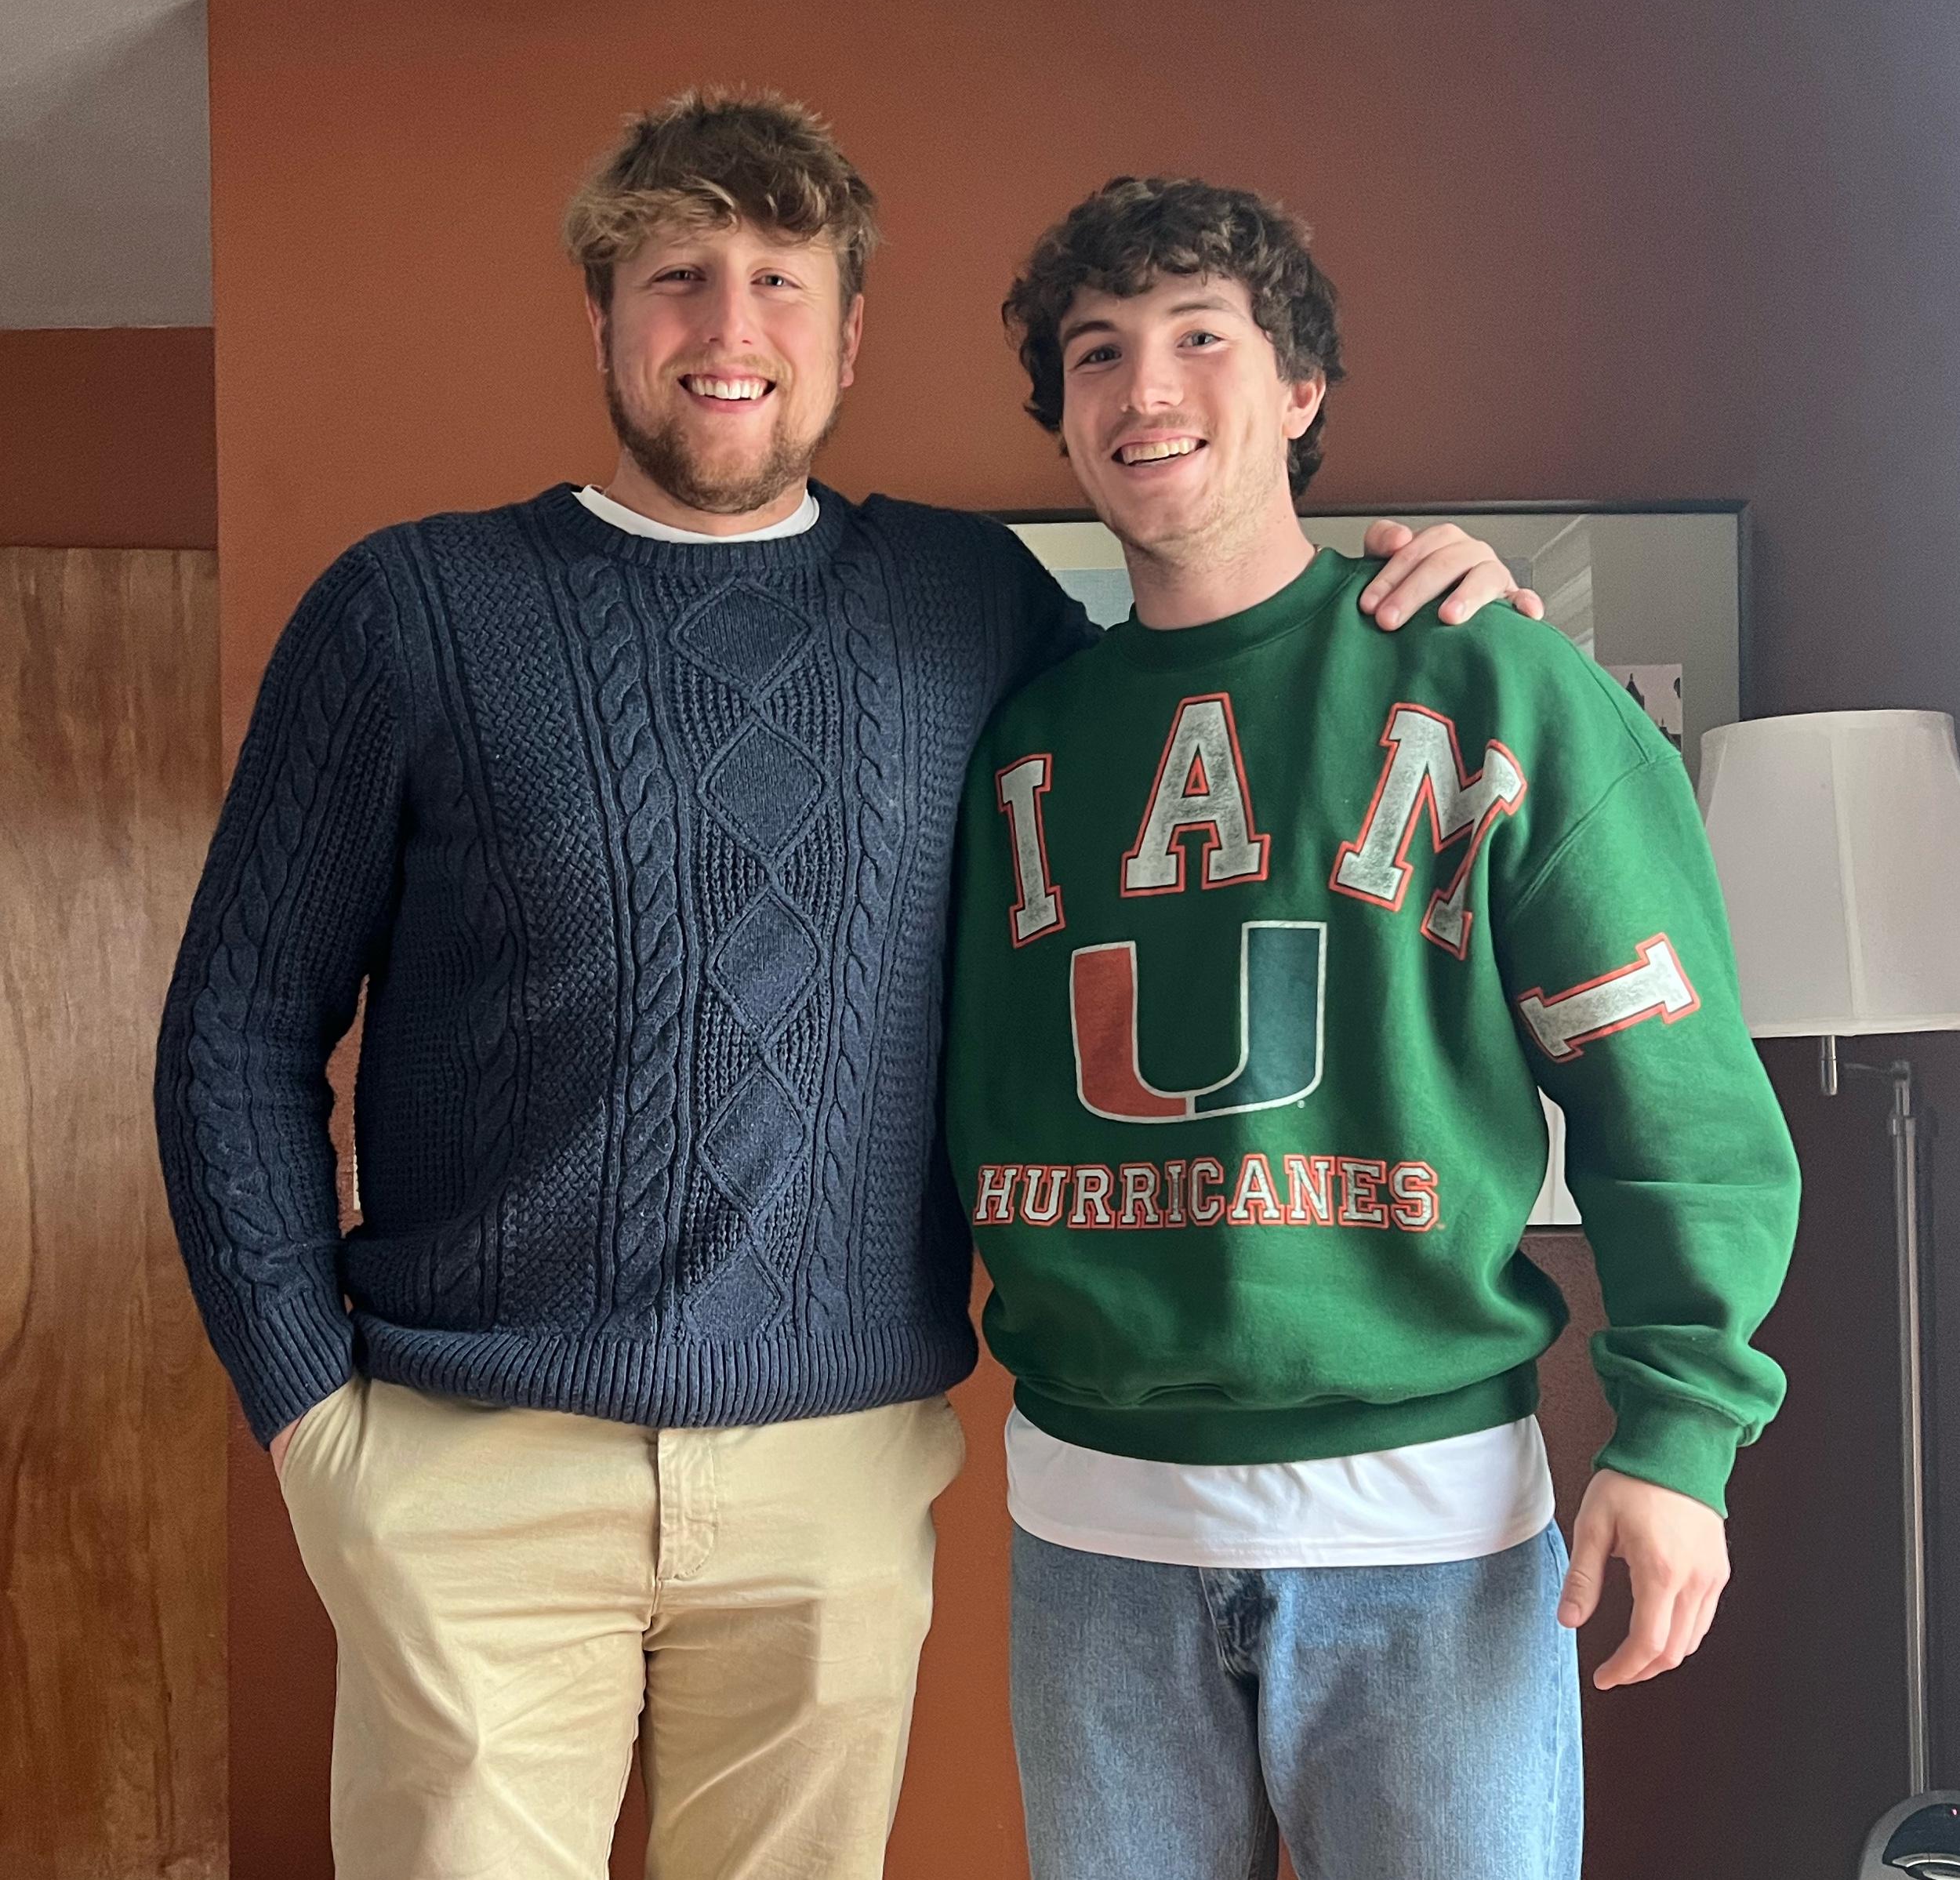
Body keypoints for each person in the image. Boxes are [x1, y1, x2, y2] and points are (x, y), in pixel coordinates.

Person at [153, 93, 1534, 1880]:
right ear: (601, 317)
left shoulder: (969, 602)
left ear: (849, 332)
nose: (728, 328)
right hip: (471, 1462)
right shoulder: (412, 608)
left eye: (780, 282)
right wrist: (309, 1419)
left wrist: (1428, 604)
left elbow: (1209, 695)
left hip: (833, 1477)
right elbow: (236, 1030)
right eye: (677, 277)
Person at [944, 174, 1802, 1880]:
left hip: (1432, 1531)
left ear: (1300, 389)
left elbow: (1669, 1088)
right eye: (1096, 352)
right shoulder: (1013, 731)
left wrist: (1681, 1431)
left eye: (1201, 336)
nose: (1145, 388)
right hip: (1091, 1531)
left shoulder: (1492, 678)